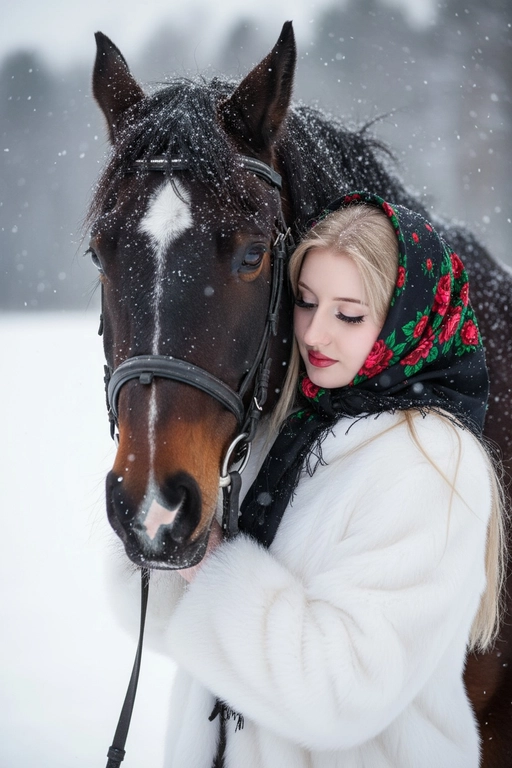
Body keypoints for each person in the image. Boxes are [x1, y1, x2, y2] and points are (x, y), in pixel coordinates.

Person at [164, 191, 505, 768]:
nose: (316, 334)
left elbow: (343, 693)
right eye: (305, 302)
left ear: (406, 321)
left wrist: (214, 567)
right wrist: (165, 533)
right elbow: (170, 621)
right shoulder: (293, 429)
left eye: (348, 314)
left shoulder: (432, 464)